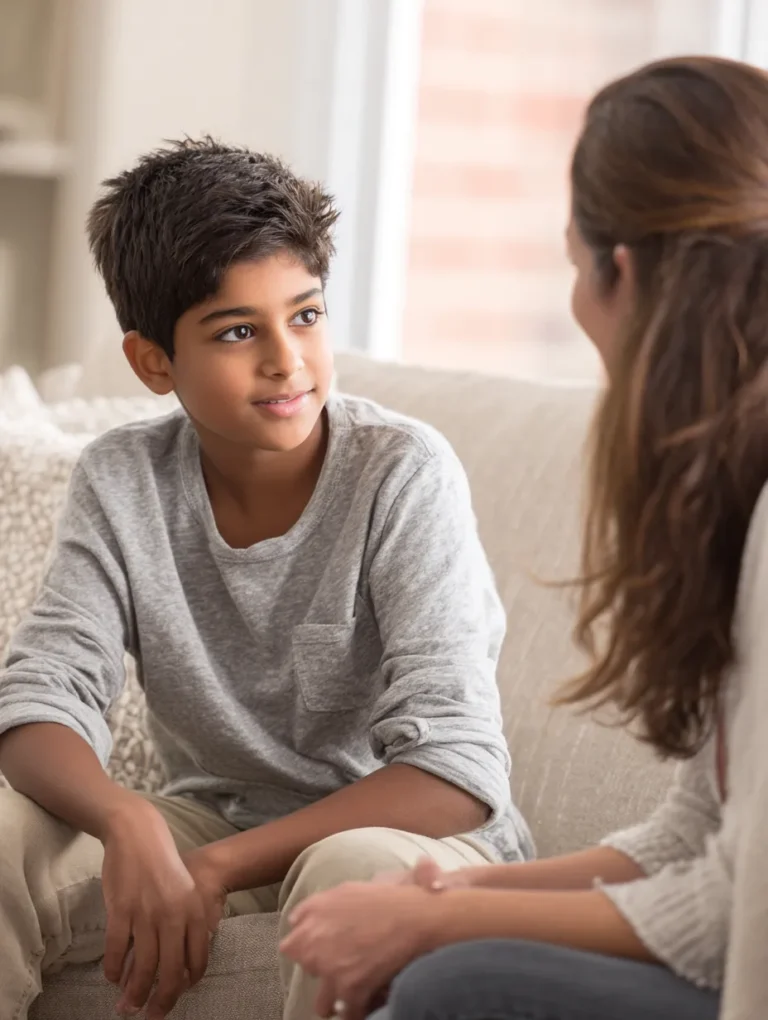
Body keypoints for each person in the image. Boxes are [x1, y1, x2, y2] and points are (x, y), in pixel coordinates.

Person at [280, 55, 768, 1020]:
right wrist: (460, 895)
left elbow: (733, 909)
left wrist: (441, 926)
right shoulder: (733, 492)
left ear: (614, 271)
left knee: (455, 982)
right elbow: (699, 834)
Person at [0, 138, 533, 1020]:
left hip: (408, 838)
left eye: (307, 315)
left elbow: (455, 769)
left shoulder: (402, 473)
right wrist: (127, 820)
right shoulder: (122, 479)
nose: (288, 360)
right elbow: (38, 699)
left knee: (346, 876)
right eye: (239, 331)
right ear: (152, 363)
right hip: (212, 817)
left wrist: (211, 869)